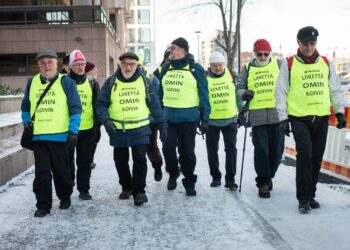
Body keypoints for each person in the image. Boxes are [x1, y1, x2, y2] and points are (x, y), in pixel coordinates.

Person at [275, 26, 346, 213]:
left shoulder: (325, 62)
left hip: (321, 118)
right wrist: (283, 119)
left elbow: (335, 89)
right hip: (299, 118)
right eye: (305, 43)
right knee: (305, 155)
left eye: (312, 43)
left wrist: (339, 112)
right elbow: (280, 92)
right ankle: (303, 198)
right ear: (298, 42)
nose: (309, 46)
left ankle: (311, 194)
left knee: (316, 158)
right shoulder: (289, 63)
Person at [96, 52, 167, 206]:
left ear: (137, 65)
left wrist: (162, 125)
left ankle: (139, 191)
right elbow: (100, 104)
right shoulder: (111, 82)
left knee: (140, 159)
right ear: (120, 65)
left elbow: (154, 105)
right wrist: (106, 120)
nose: (128, 67)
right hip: (118, 130)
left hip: (140, 128)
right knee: (120, 161)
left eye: (132, 64)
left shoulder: (145, 82)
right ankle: (126, 186)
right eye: (125, 64)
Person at [21, 50, 82, 217]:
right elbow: (26, 105)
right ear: (38, 65)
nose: (46, 65)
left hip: (61, 136)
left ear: (57, 64)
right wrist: (26, 121)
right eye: (42, 62)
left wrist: (73, 131)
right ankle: (43, 205)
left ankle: (65, 196)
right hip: (39, 137)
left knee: (62, 171)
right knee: (42, 173)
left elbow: (76, 107)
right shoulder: (32, 82)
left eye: (50, 62)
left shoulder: (66, 82)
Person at [158, 37, 210, 196]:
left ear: (183, 50)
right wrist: (159, 116)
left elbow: (203, 94)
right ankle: (173, 173)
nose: (170, 50)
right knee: (167, 148)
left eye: (173, 48)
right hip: (168, 118)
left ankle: (189, 181)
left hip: (188, 118)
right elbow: (160, 94)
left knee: (187, 152)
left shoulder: (195, 69)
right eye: (170, 48)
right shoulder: (165, 68)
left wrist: (205, 118)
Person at [237, 39, 284, 198]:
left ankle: (269, 176)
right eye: (259, 54)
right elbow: (239, 88)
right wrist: (244, 94)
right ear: (254, 54)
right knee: (261, 150)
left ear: (270, 53)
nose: (263, 57)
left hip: (277, 114)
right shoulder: (248, 68)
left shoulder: (279, 65)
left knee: (276, 151)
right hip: (257, 116)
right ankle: (263, 182)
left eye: (266, 53)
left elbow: (288, 87)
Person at [67, 50, 100, 200]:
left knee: (85, 162)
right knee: (67, 162)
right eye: (77, 65)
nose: (81, 67)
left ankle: (84, 189)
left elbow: (97, 104)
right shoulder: (64, 82)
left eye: (83, 64)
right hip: (67, 130)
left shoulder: (92, 82)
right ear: (70, 67)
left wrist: (97, 126)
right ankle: (68, 187)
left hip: (87, 129)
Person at [206, 51, 240, 190]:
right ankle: (216, 177)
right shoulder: (204, 78)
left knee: (231, 149)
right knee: (212, 150)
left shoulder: (232, 75)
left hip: (230, 119)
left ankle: (230, 179)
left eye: (220, 65)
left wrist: (242, 109)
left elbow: (238, 94)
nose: (218, 68)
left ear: (224, 64)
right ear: (210, 66)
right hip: (211, 121)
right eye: (214, 66)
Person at [137, 56, 164, 181]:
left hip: (150, 121)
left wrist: (159, 120)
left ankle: (157, 166)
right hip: (134, 120)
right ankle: (139, 181)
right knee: (138, 151)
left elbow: (158, 101)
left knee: (151, 148)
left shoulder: (153, 80)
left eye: (137, 66)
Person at [85, 61, 101, 170]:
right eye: (94, 70)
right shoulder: (86, 82)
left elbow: (98, 101)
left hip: (94, 118)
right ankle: (88, 160)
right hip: (85, 120)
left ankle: (90, 159)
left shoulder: (94, 82)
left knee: (95, 140)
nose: (96, 71)